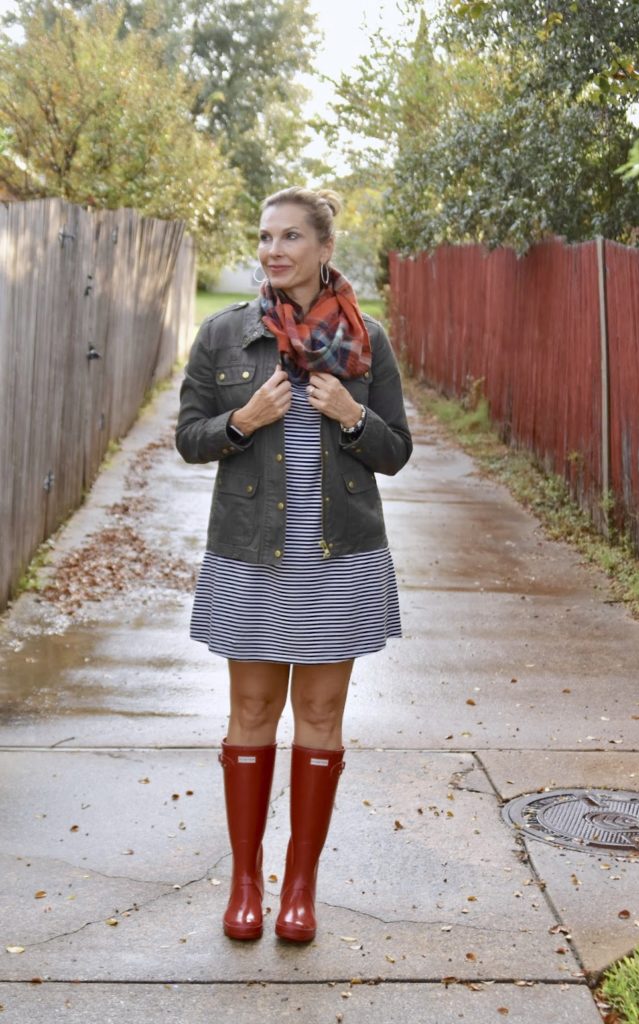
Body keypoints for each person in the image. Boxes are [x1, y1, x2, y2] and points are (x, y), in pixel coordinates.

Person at [175, 186, 412, 943]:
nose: (273, 250)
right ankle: (246, 884)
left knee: (320, 717)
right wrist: (244, 421)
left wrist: (351, 414)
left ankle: (299, 891)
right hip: (253, 552)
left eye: (289, 237)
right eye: (265, 237)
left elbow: (395, 452)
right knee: (250, 714)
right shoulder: (224, 336)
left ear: (323, 248)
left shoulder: (366, 339)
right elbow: (189, 437)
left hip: (337, 554)